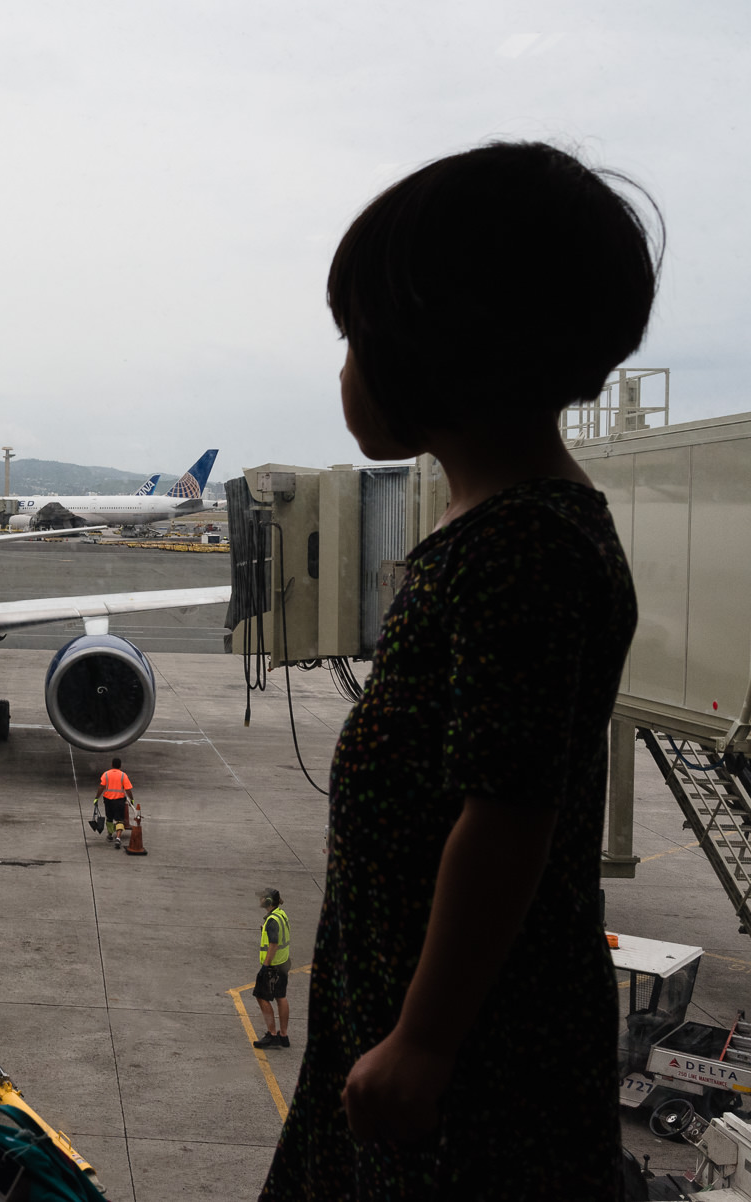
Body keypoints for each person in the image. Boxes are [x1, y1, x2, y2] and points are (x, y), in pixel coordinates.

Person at [261, 142, 658, 1198]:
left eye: (356, 337)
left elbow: (510, 810)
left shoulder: (521, 550)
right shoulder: (497, 533)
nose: (344, 368)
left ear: (434, 355)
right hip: (409, 1013)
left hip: (470, 1068)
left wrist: (426, 1038)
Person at [252, 887, 291, 1049]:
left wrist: (265, 967)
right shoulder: (280, 914)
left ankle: (272, 1034)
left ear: (268, 901)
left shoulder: (272, 920)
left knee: (261, 996)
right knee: (281, 997)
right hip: (284, 963)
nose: (259, 900)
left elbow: (274, 945)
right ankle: (284, 1035)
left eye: (262, 898)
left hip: (273, 966)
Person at [96, 758, 132, 847]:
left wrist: (96, 797)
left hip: (108, 800)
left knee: (109, 819)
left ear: (111, 764)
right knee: (120, 820)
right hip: (119, 801)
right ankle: (118, 838)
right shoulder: (123, 775)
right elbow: (128, 789)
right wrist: (132, 799)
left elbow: (101, 786)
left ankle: (110, 835)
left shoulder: (106, 774)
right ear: (120, 766)